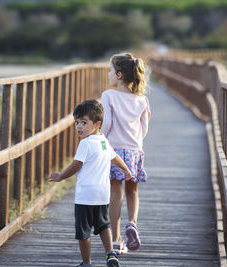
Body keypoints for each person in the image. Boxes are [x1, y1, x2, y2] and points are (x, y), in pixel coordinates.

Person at [49, 99, 132, 267]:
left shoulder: (85, 144)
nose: (78, 126)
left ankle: (86, 263)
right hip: (102, 195)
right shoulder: (103, 140)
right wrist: (126, 169)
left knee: (83, 232)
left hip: (85, 197)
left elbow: (75, 165)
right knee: (103, 226)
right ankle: (111, 255)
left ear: (97, 124)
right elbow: (114, 157)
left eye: (84, 122)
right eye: (77, 122)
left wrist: (60, 177)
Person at [100, 53, 150, 254]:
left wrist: (99, 142)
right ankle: (132, 223)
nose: (108, 74)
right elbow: (144, 128)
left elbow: (107, 124)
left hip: (114, 151)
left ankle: (115, 238)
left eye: (111, 71)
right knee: (132, 191)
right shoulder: (142, 99)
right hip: (135, 151)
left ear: (119, 75)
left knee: (116, 192)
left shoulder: (108, 95)